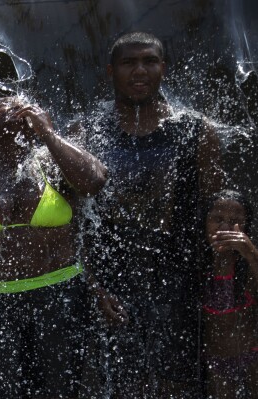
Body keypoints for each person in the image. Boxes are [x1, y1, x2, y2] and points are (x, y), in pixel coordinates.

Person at [76, 32, 223, 397]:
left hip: (180, 283)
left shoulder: (196, 131)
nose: (139, 71)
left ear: (164, 68)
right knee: (124, 387)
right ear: (110, 71)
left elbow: (216, 214)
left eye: (149, 61)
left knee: (182, 386)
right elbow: (72, 223)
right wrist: (94, 287)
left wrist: (219, 285)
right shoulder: (87, 133)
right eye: (129, 63)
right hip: (113, 284)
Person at [0, 94, 107, 398]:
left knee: (61, 392)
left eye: (19, 102)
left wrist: (48, 133)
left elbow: (94, 180)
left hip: (60, 296)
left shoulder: (51, 163)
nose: (11, 107)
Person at [201, 190, 258, 398]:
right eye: (217, 220)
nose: (225, 227)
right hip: (215, 361)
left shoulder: (247, 266)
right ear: (204, 224)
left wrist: (250, 253)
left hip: (252, 357)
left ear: (246, 228)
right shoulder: (198, 265)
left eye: (235, 221)